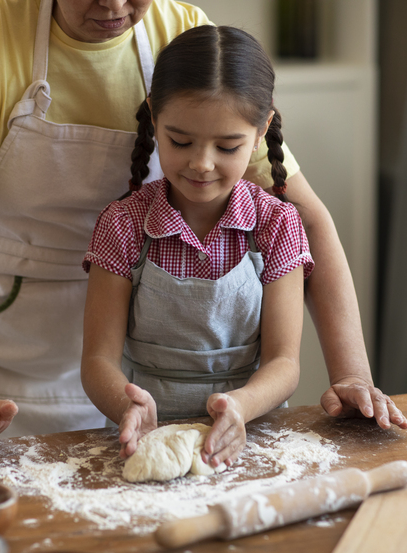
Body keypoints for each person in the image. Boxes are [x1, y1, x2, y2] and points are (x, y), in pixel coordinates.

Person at [0, 0, 407, 472]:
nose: (115, 6)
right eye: (180, 141)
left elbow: (307, 220)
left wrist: (353, 377)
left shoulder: (184, 36)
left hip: (129, 360)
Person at [80, 25, 315, 468]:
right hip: (144, 441)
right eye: (180, 141)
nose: (201, 164)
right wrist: (126, 405)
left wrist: (239, 407)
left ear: (262, 129)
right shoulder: (124, 224)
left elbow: (284, 363)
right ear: (153, 117)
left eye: (228, 146)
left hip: (250, 436)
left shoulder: (277, 224)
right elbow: (97, 360)